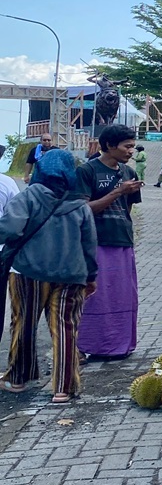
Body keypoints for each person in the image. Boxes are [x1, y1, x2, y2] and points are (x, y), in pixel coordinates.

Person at [0, 150, 98, 402]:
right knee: (65, 327)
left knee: (24, 323)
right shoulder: (79, 203)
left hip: (28, 271)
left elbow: (9, 229)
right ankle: (63, 388)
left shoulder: (28, 197)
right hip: (70, 274)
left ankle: (18, 379)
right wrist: (91, 276)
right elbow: (89, 245)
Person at [75, 124, 142, 359]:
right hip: (95, 242)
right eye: (127, 146)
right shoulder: (87, 171)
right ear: (110, 146)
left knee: (122, 294)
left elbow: (128, 209)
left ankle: (121, 344)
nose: (131, 151)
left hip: (122, 240)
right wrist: (117, 192)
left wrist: (122, 198)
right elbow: (83, 209)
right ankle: (87, 345)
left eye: (133, 146)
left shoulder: (129, 173)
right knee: (96, 296)